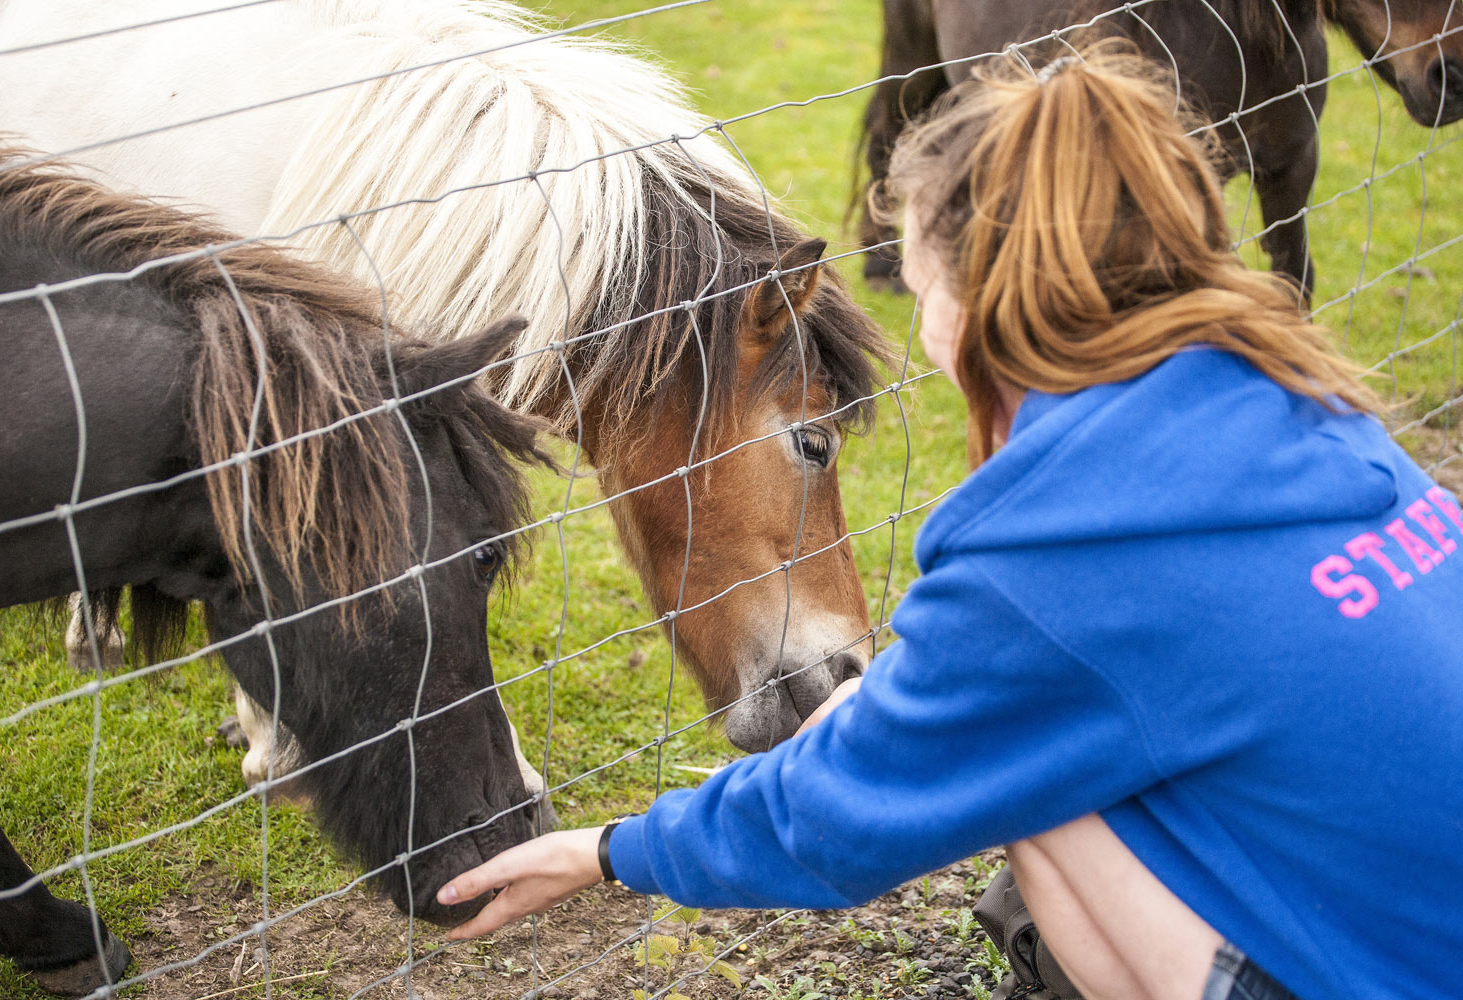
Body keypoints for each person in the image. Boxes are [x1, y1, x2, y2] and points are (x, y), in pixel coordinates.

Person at [436, 45, 1463, 1000]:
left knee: (1039, 791)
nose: (905, 297)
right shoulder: (1303, 400)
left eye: (914, 274)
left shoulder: (1055, 544)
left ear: (980, 297)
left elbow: (844, 815)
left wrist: (608, 848)